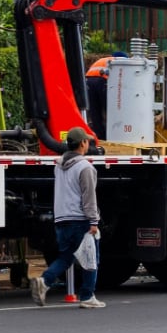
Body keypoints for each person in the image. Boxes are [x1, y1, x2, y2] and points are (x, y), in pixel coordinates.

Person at [31, 127, 104, 309]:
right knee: (91, 258)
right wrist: (93, 221)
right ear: (82, 144)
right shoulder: (85, 167)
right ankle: (87, 296)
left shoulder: (59, 166)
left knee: (66, 257)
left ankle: (45, 281)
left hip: (62, 219)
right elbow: (89, 197)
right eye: (87, 141)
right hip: (80, 220)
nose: (88, 143)